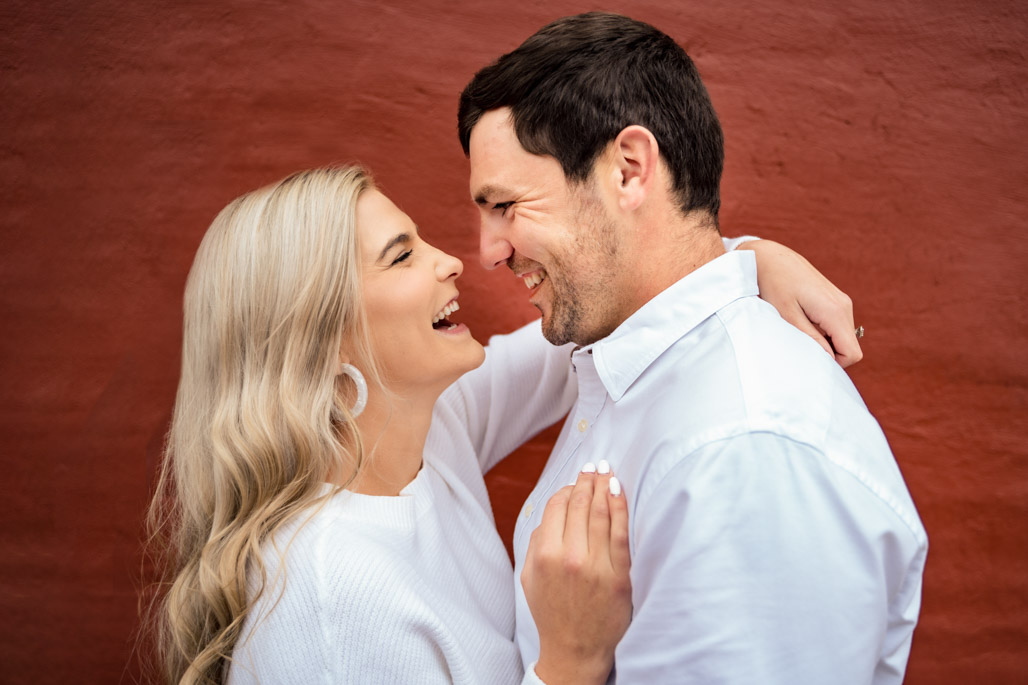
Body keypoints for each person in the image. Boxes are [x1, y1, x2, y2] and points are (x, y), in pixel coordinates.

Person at [147, 165, 865, 684]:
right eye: (401, 255)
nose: (451, 262)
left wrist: (748, 258)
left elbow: (609, 316)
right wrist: (569, 662)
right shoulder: (335, 599)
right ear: (318, 342)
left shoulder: (428, 425)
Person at [458, 11, 928, 684]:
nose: (488, 251)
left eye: (506, 205)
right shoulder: (626, 367)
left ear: (627, 170)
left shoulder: (742, 450)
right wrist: (747, 255)